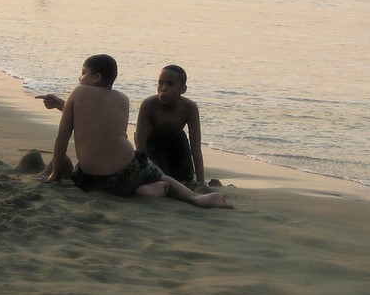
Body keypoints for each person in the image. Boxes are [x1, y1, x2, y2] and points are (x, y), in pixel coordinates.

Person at [36, 54, 228, 208]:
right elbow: (99, 120)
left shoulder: (77, 92)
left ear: (96, 77)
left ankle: (141, 191)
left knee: (83, 179)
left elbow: (63, 136)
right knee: (162, 175)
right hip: (132, 165)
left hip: (98, 177)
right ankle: (195, 198)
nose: (80, 77)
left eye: (83, 72)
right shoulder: (123, 99)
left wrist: (55, 174)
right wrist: (62, 104)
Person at [135, 64, 206, 185]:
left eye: (170, 84)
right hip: (153, 142)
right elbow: (140, 142)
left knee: (186, 178)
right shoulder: (148, 105)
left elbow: (195, 147)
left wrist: (201, 182)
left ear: (183, 89)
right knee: (159, 177)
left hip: (176, 141)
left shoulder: (190, 108)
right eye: (160, 83)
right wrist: (141, 169)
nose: (163, 88)